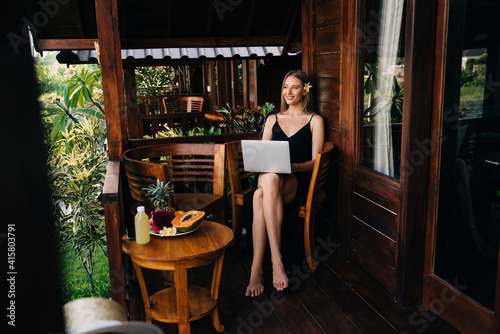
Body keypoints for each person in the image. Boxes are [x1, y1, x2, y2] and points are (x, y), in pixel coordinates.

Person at [245, 70, 325, 297]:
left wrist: (295, 167)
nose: (288, 92)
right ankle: (276, 261)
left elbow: (315, 162)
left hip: (294, 178)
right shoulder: (272, 119)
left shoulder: (314, 121)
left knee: (260, 196)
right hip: (268, 176)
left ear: (305, 91)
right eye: (285, 87)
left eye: (295, 87)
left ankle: (257, 269)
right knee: (268, 178)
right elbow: (262, 154)